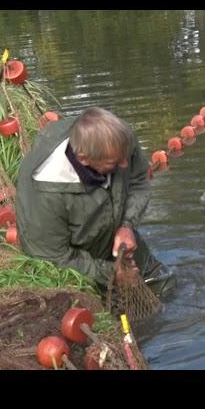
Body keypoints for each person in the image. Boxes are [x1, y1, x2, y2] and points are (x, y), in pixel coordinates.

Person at [15, 107, 174, 297]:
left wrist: (127, 225)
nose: (125, 165)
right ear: (83, 159)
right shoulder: (44, 197)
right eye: (114, 163)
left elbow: (138, 181)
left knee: (165, 290)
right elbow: (53, 259)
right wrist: (111, 273)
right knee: (116, 314)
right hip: (79, 264)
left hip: (118, 241)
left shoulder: (120, 140)